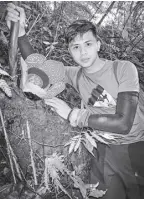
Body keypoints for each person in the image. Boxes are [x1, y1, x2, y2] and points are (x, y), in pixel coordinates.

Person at [6, 3, 144, 199]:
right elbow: (39, 67)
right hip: (101, 148)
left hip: (135, 147)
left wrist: (73, 114)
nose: (83, 52)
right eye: (76, 47)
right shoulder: (75, 75)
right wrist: (20, 33)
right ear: (70, 51)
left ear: (98, 44)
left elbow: (124, 124)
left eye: (88, 44)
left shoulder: (123, 68)